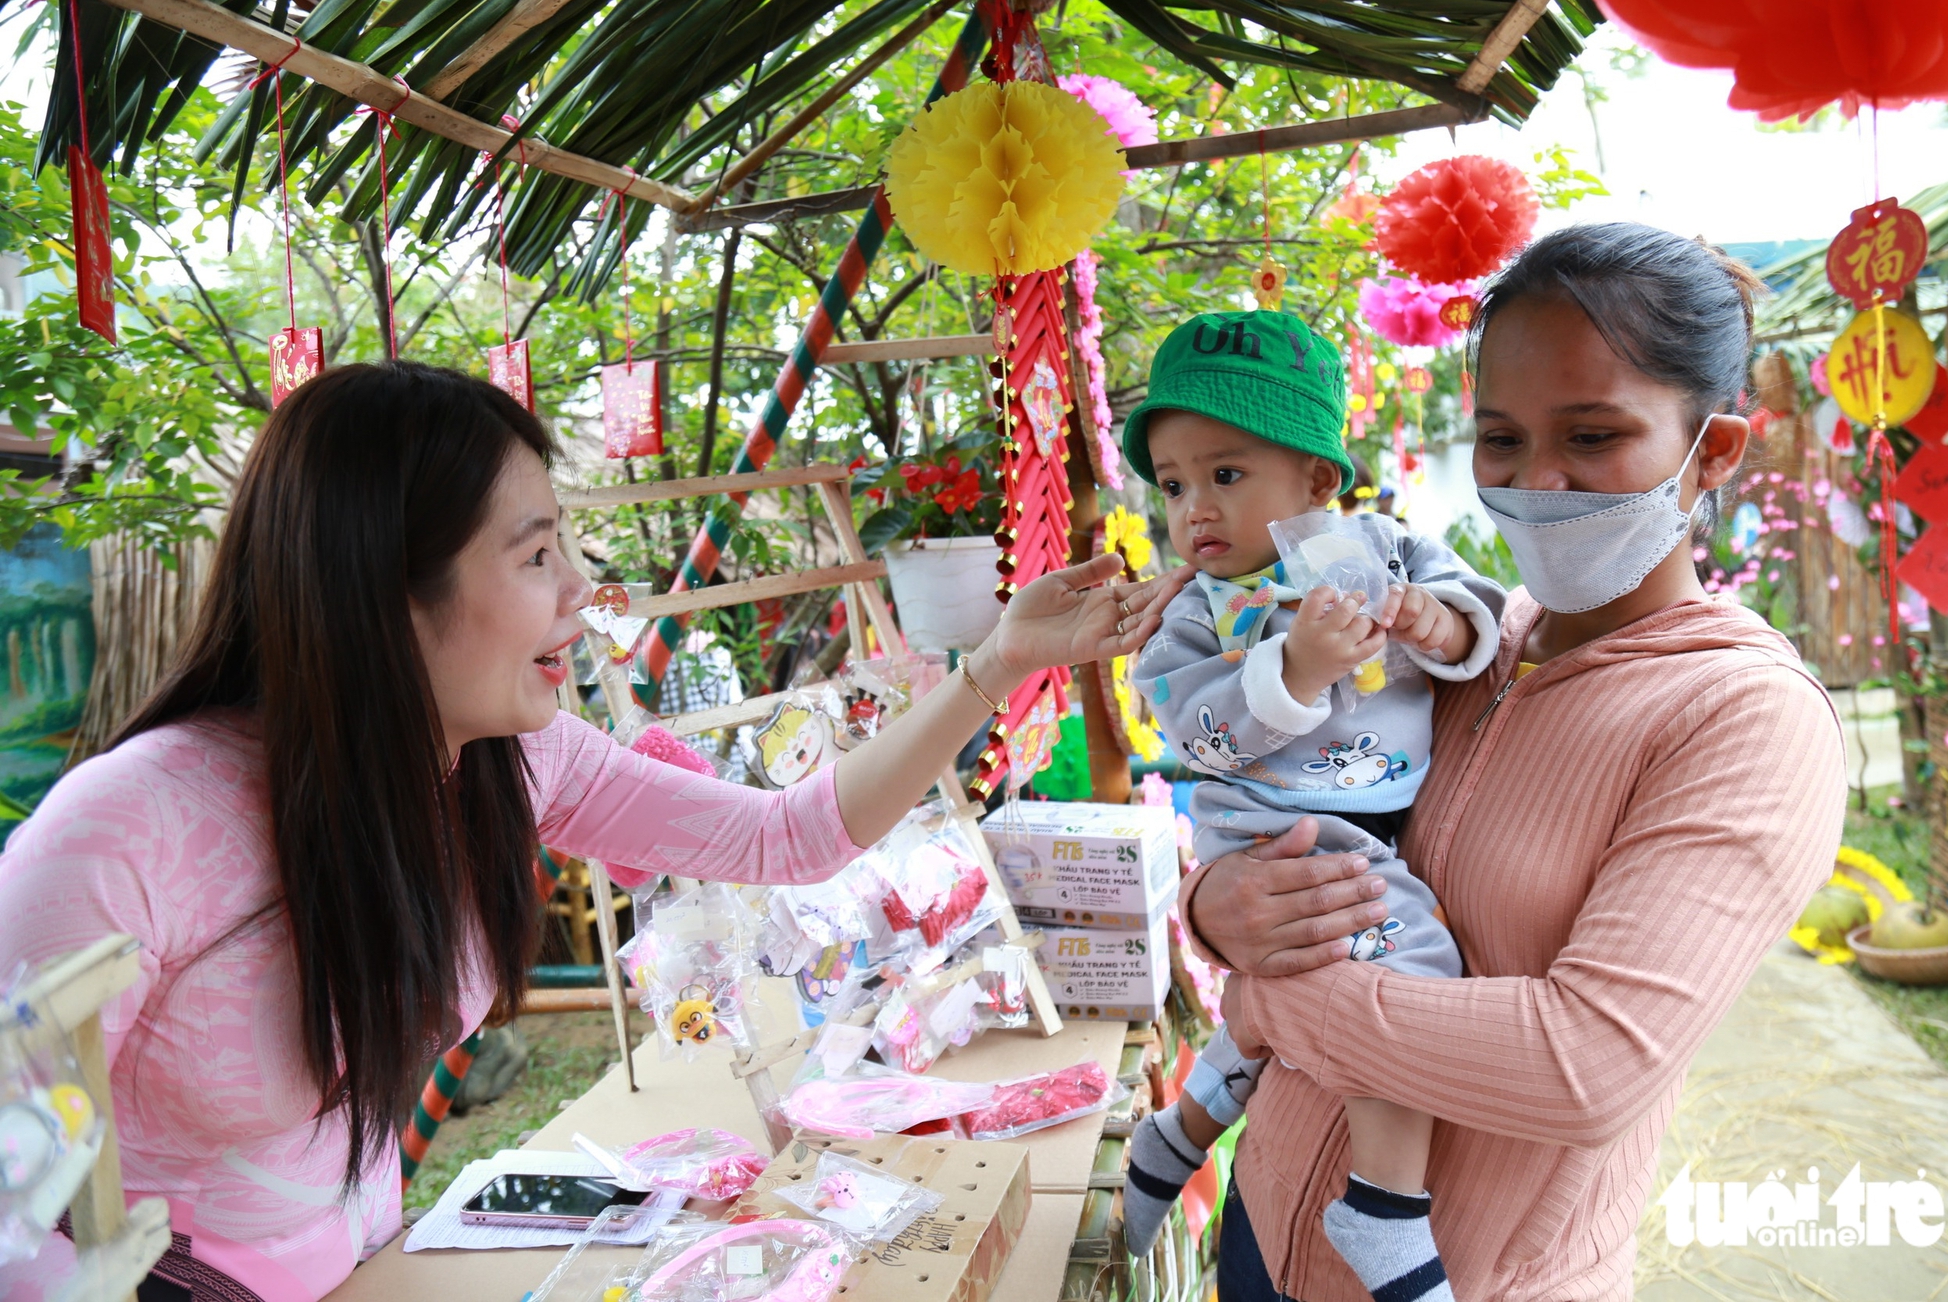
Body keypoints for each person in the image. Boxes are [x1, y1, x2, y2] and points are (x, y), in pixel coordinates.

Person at [0, 361, 1190, 1302]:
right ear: (382, 591)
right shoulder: (130, 829)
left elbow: (789, 837)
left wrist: (994, 663)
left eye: (564, 542)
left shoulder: (509, 760)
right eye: (533, 554)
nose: (580, 589)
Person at [1181, 224, 1846, 1302]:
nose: (1537, 480)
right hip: (1262, 1221)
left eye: (1590, 436)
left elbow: (1582, 1067)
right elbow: (1290, 794)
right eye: (1499, 438)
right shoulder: (1459, 643)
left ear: (1711, 452)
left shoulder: (1742, 719)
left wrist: (1267, 997)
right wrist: (1214, 904)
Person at [1114, 311, 1506, 1302]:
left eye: (1224, 473)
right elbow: (1193, 730)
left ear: (1318, 480)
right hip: (1267, 818)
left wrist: (1434, 618)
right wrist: (1288, 669)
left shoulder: (1381, 549)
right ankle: (1381, 1206)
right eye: (1171, 483)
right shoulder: (1195, 610)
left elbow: (1484, 626)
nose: (1191, 507)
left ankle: (1174, 1137)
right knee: (1406, 959)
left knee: (1279, 993)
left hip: (1372, 818)